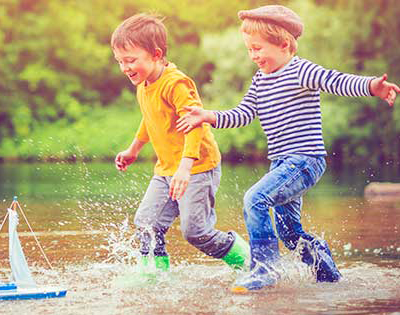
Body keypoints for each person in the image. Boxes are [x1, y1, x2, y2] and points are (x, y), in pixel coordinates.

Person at [176, 5, 400, 293]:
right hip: (282, 164)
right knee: (290, 234)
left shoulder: (300, 70)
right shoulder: (260, 81)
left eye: (258, 48)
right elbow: (242, 114)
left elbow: (335, 80)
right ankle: (327, 273)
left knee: (254, 199)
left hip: (304, 160)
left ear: (284, 45)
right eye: (249, 50)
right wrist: (207, 115)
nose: (253, 56)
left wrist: (371, 86)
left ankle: (265, 268)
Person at [111, 13, 249, 279]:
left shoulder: (176, 83)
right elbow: (150, 119)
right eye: (120, 61)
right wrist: (133, 150)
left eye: (130, 60)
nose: (125, 68)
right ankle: (154, 276)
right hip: (166, 170)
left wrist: (185, 168)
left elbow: (195, 124)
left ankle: (249, 262)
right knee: (146, 224)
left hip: (197, 167)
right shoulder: (144, 84)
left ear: (155, 54)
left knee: (196, 232)